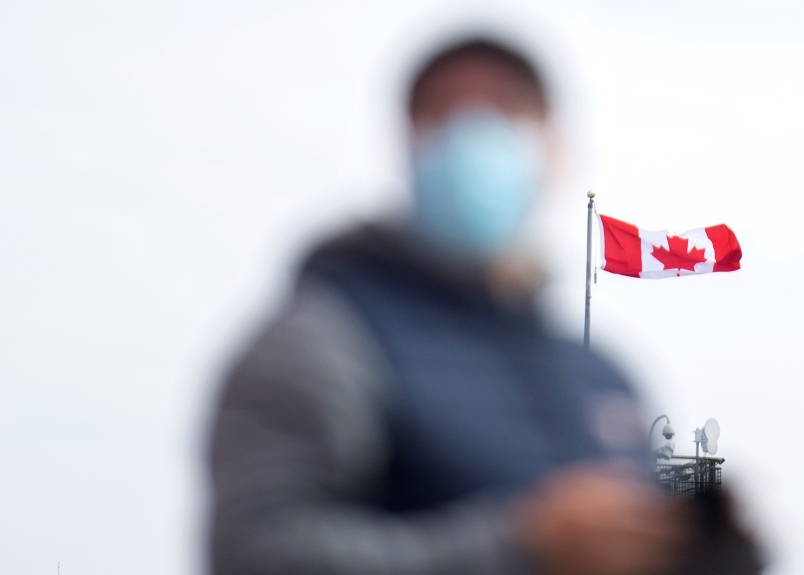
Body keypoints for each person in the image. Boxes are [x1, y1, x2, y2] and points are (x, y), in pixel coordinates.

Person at [207, 36, 696, 575]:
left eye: (509, 107)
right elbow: (255, 554)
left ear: (556, 147)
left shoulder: (599, 369)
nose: (476, 133)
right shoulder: (322, 339)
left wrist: (710, 552)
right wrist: (519, 546)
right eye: (443, 110)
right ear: (408, 143)